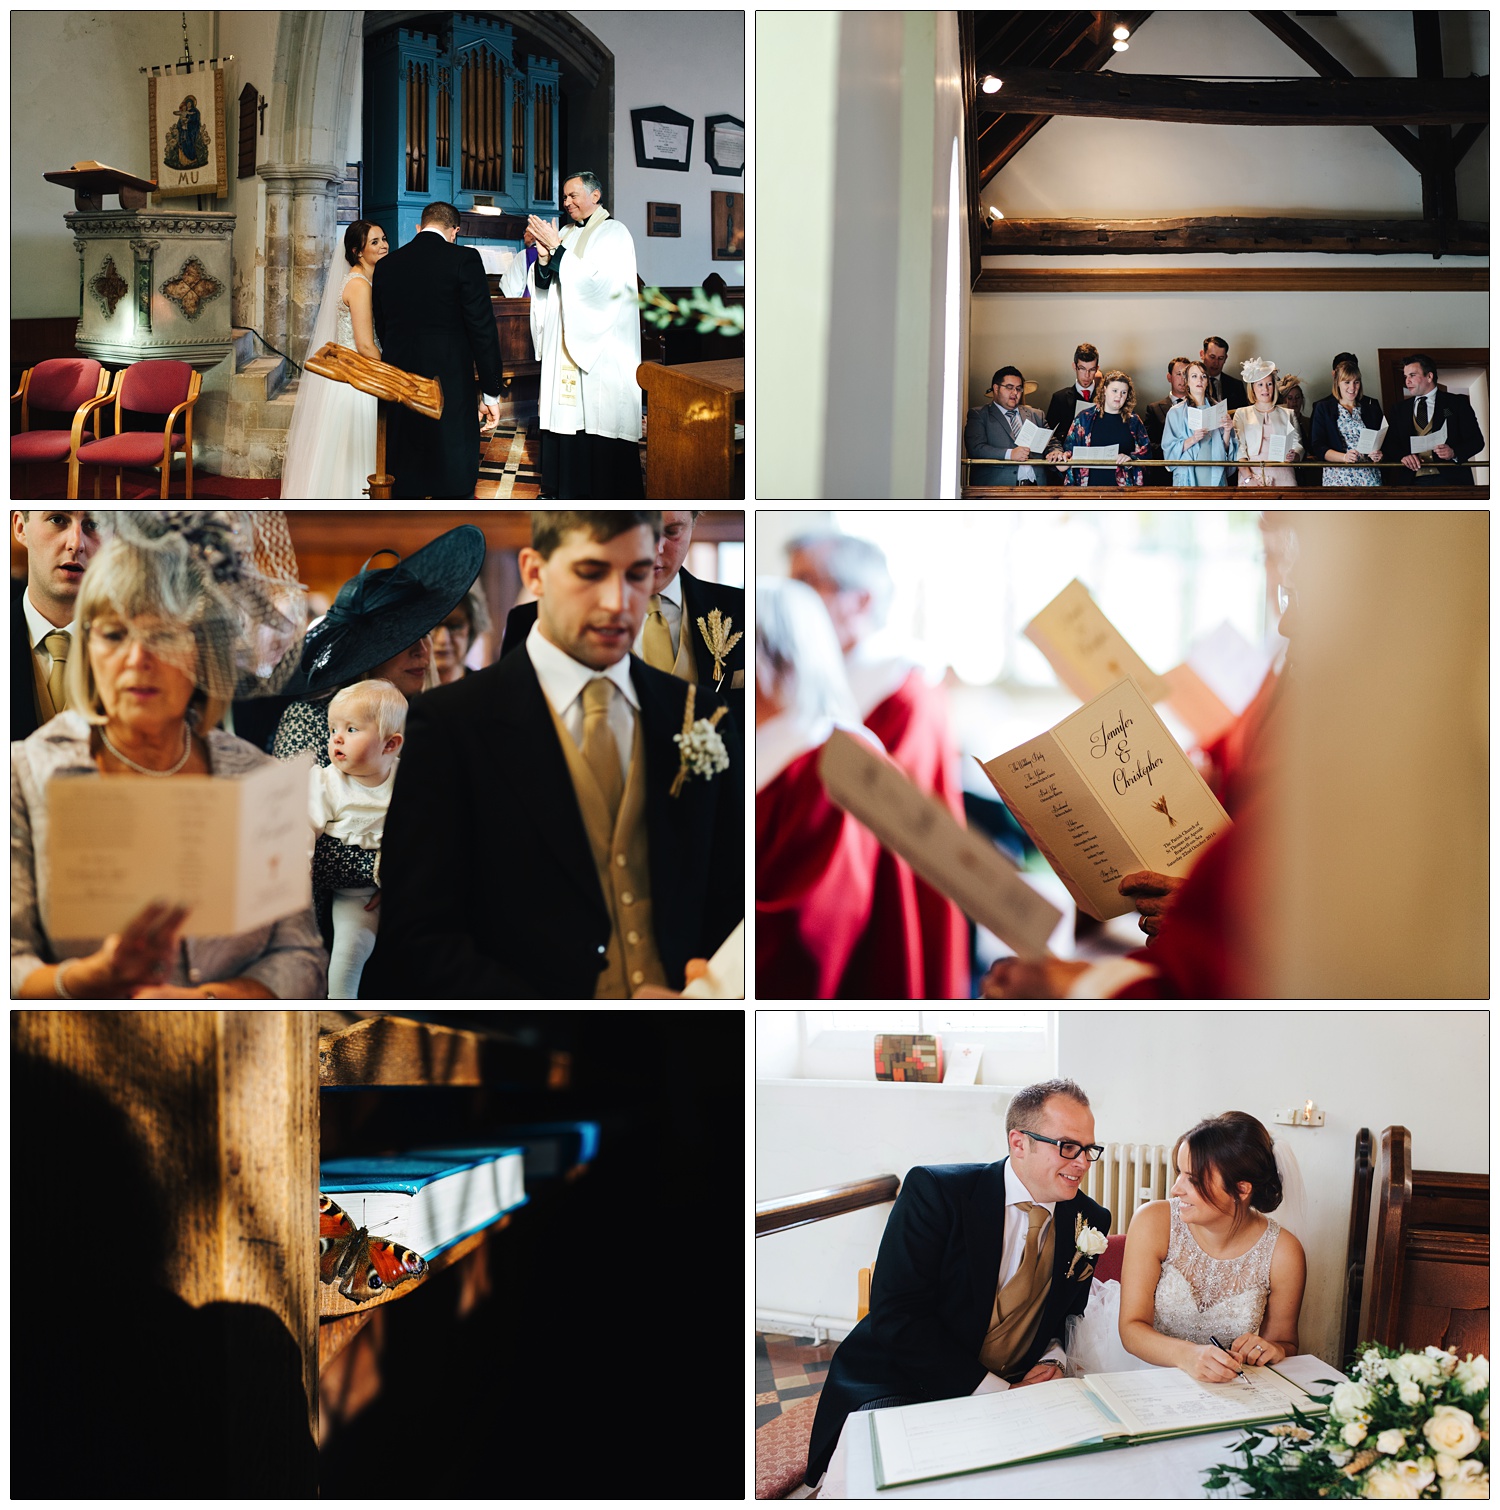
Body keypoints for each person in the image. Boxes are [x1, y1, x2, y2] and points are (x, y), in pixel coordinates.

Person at [363, 512, 742, 998]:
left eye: (636, 574)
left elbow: (732, 897)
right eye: (591, 572)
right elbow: (418, 935)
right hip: (525, 1055)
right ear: (534, 571)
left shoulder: (700, 714)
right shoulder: (451, 724)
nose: (618, 602)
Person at [12, 512, 324, 999]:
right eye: (115, 635)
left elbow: (301, 958)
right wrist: (91, 979)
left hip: (233, 1055)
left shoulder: (257, 778)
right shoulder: (25, 773)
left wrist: (204, 1002)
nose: (138, 660)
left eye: (163, 634)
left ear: (201, 650)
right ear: (89, 647)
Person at [804, 1079, 1111, 1492]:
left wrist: (1053, 1359)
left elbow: (1067, 1312)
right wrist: (994, 1393)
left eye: (1089, 1150)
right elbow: (899, 1316)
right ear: (1019, 1143)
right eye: (1068, 1147)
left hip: (1021, 1385)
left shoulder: (1089, 1220)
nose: (1082, 1164)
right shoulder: (937, 1192)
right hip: (907, 1378)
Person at [274, 524, 486, 944]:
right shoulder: (309, 718)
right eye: (405, 638)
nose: (423, 650)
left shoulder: (439, 713)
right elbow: (288, 834)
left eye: (424, 632)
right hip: (331, 934)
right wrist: (402, 869)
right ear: (368, 651)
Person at [786, 531, 970, 997]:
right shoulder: (820, 672)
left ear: (861, 599)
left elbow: (891, 812)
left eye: (809, 583)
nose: (795, 601)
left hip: (894, 888)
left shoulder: (904, 689)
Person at [1067, 1112, 1306, 1380]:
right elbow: (1132, 1329)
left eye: (1193, 1179)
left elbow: (1285, 1344)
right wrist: (1188, 1357)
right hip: (1141, 1369)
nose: (1175, 1189)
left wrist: (1270, 1349)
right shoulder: (1152, 1221)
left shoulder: (1284, 1252)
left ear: (1241, 1189)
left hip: (1226, 1383)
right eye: (1180, 1173)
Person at [500, 509, 746, 728]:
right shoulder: (531, 620)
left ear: (693, 524)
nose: (655, 548)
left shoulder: (741, 608)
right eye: (646, 532)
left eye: (672, 532)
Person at [371, 200, 505, 500]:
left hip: (401, 377)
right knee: (452, 466)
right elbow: (482, 330)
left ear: (422, 225)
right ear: (454, 230)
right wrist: (490, 392)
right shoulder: (465, 259)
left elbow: (382, 325)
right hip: (449, 380)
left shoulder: (386, 265)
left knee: (406, 466)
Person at [526, 171, 644, 499]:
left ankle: (603, 493)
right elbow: (549, 289)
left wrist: (557, 250)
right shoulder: (563, 232)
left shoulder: (614, 234)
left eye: (573, 195)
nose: (566, 203)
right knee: (567, 415)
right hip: (563, 341)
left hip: (602, 347)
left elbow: (597, 288)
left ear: (595, 196)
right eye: (564, 197)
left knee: (597, 414)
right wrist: (546, 261)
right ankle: (563, 488)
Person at [307, 678, 406, 999]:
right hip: (353, 896)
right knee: (350, 952)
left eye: (351, 730)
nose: (336, 737)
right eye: (333, 728)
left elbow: (428, 833)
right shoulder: (326, 782)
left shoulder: (410, 779)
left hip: (399, 891)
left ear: (390, 745)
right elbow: (302, 830)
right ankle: (337, 1011)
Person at [279, 221, 390, 499]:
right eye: (374, 242)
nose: (383, 245)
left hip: (348, 376)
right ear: (357, 251)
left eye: (384, 239)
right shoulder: (360, 285)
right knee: (356, 452)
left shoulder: (360, 279)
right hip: (358, 378)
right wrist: (388, 372)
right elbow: (365, 344)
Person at [11, 510, 105, 742]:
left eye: (93, 524)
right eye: (57, 520)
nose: (76, 544)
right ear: (21, 528)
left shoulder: (144, 648)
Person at [1386, 352, 1486, 486]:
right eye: (1405, 376)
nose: (1407, 381)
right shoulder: (1399, 409)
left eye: (1412, 375)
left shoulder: (1456, 403)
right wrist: (1402, 456)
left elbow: (1476, 441)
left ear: (1429, 376)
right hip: (1412, 481)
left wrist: (1454, 452)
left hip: (1452, 480)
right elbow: (1390, 443)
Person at [964, 367, 1065, 486]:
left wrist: (1056, 452)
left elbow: (1051, 442)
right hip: (998, 491)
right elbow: (976, 448)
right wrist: (1010, 454)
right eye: (1009, 387)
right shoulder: (979, 414)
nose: (1015, 393)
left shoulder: (1036, 415)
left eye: (1018, 388)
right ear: (996, 389)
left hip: (1037, 488)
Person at [1058, 370, 1152, 487]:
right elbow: (1069, 449)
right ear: (1104, 390)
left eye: (1124, 392)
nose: (1119, 396)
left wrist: (1130, 458)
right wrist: (1064, 457)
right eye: (1115, 391)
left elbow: (1147, 453)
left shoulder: (1134, 420)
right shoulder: (1084, 417)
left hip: (1122, 489)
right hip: (1089, 488)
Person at [1310, 360, 1385, 488]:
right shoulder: (1324, 408)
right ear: (1337, 383)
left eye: (1356, 382)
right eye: (1347, 382)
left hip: (1369, 477)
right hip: (1338, 476)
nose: (1352, 387)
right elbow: (1317, 446)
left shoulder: (1371, 409)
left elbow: (1384, 443)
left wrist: (1379, 455)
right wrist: (1344, 457)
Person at [1162, 361, 1237, 487]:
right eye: (1194, 376)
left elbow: (1226, 450)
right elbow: (1169, 451)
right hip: (1189, 472)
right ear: (1187, 381)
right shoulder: (1175, 412)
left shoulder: (1218, 409)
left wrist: (1228, 430)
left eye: (1203, 376)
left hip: (1213, 469)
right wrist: (1193, 439)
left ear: (1207, 381)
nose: (1199, 380)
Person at [1231, 358, 1302, 487]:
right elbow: (1238, 449)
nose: (1265, 389)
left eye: (1269, 384)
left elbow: (1299, 444)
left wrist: (1295, 455)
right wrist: (1248, 478)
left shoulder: (1288, 414)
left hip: (1283, 473)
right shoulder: (1241, 413)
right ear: (1252, 388)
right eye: (1260, 384)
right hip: (1252, 474)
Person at [431, 586, 493, 684]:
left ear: (471, 628)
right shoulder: (402, 696)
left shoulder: (485, 691)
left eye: (455, 626)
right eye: (433, 626)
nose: (443, 639)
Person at [1144, 356, 1192, 458]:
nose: (1183, 379)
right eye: (1179, 374)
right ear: (1169, 377)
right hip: (1165, 467)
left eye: (1186, 375)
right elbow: (1149, 444)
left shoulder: (1198, 406)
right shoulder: (1154, 409)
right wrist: (1174, 451)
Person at [1199, 336, 1248, 409]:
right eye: (1212, 357)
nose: (1216, 363)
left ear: (1225, 358)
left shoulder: (1237, 386)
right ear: (1202, 354)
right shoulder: (1191, 383)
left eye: (1220, 358)